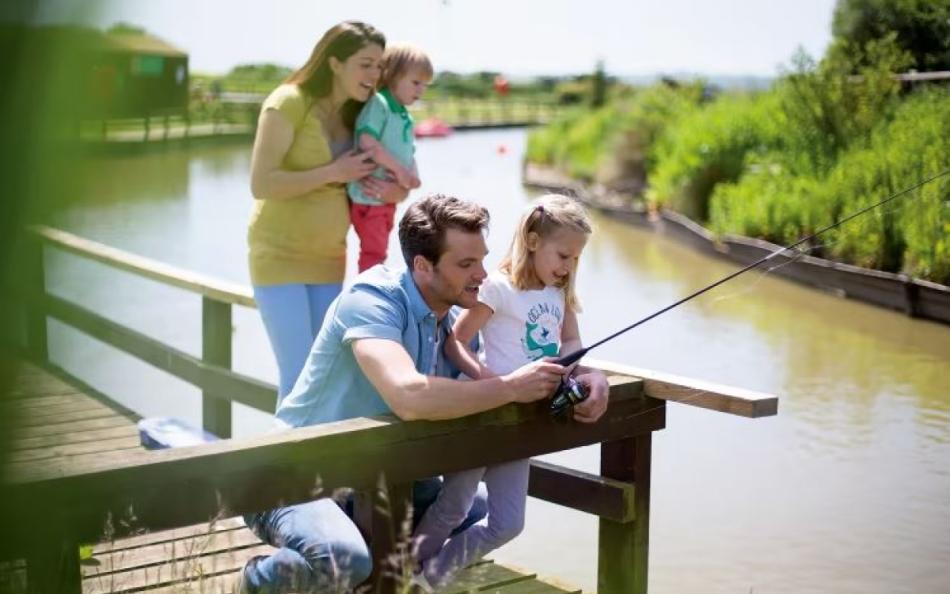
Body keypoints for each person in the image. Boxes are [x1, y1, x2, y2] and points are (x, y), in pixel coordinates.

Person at [238, 195, 609, 593]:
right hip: (293, 477)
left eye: (482, 260)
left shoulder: (452, 319)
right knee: (344, 558)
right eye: (466, 264)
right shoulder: (372, 300)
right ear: (422, 265)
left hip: (370, 479)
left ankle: (386, 576)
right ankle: (255, 580)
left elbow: (524, 357)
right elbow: (408, 395)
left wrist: (592, 376)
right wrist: (510, 388)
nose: (483, 275)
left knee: (475, 509)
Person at [409, 194, 594, 590]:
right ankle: (399, 575)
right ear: (531, 240)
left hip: (522, 422)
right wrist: (493, 382)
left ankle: (430, 576)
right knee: (453, 507)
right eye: (563, 255)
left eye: (575, 259)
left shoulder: (559, 294)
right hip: (484, 414)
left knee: (509, 523)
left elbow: (571, 340)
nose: (568, 267)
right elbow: (455, 343)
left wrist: (567, 368)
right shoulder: (498, 288)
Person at [247, 21, 409, 403]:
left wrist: (394, 189)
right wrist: (334, 172)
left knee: (325, 371)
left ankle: (314, 462)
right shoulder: (288, 101)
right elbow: (261, 183)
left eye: (379, 66)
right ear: (335, 63)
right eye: (365, 64)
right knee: (298, 373)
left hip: (330, 260)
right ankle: (287, 461)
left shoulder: (366, 113)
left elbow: (396, 179)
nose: (375, 75)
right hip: (278, 256)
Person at [347, 43, 432, 272]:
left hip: (384, 200)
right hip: (369, 198)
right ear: (393, 76)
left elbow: (409, 152)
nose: (420, 90)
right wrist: (400, 171)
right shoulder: (380, 104)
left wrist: (413, 175)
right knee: (374, 253)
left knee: (380, 250)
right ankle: (367, 294)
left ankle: (372, 288)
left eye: (424, 85)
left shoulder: (404, 115)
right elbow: (367, 142)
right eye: (415, 83)